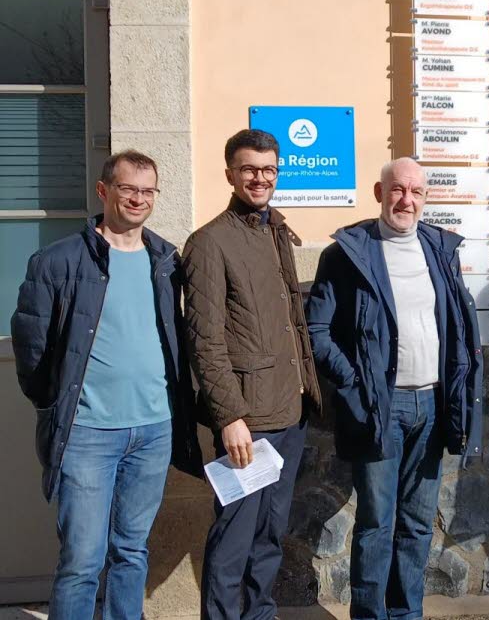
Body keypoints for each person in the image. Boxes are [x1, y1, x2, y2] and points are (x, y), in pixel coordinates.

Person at [11, 150, 203, 619]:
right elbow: (30, 347)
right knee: (81, 559)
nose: (138, 199)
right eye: (128, 188)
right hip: (88, 434)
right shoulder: (59, 261)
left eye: (147, 190)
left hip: (154, 429)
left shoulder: (165, 260)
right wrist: (56, 405)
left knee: (132, 550)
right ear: (104, 191)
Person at [305, 157, 483, 619]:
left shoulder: (440, 249)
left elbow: (456, 325)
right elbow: (317, 331)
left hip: (433, 403)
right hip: (379, 406)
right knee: (375, 524)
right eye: (397, 190)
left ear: (425, 197)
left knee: (419, 525)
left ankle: (406, 613)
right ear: (379, 192)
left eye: (416, 192)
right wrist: (354, 383)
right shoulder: (347, 253)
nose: (407, 200)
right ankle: (369, 615)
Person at [183, 129, 322, 620]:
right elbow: (206, 340)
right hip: (248, 421)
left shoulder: (274, 230)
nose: (259, 178)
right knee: (234, 538)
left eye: (268, 169)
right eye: (249, 169)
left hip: (290, 410)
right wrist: (229, 416)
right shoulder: (208, 243)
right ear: (230, 174)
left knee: (268, 535)